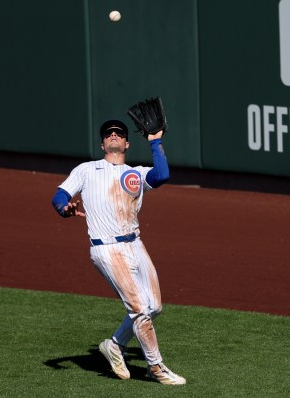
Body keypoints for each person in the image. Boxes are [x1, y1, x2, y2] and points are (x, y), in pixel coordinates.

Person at [51, 119, 186, 386]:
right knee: (138, 308)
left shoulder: (135, 173)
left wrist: (155, 141)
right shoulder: (87, 170)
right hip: (107, 249)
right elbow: (59, 195)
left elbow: (162, 175)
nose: (114, 135)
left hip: (135, 244)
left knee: (154, 307)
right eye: (108, 134)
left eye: (119, 133)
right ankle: (156, 367)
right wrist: (64, 209)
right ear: (103, 144)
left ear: (126, 143)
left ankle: (115, 345)